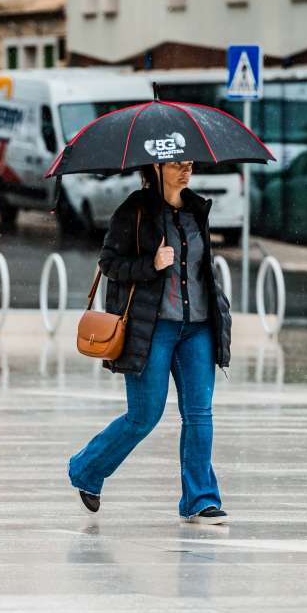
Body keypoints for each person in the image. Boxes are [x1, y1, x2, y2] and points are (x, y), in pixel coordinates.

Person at [68, 160, 233, 525]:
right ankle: (86, 470)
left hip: (198, 326)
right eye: (176, 164)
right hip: (152, 326)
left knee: (199, 414)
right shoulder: (135, 210)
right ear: (155, 168)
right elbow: (109, 263)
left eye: (189, 164)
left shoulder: (196, 209)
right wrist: (151, 264)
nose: (185, 171)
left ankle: (200, 500)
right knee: (144, 415)